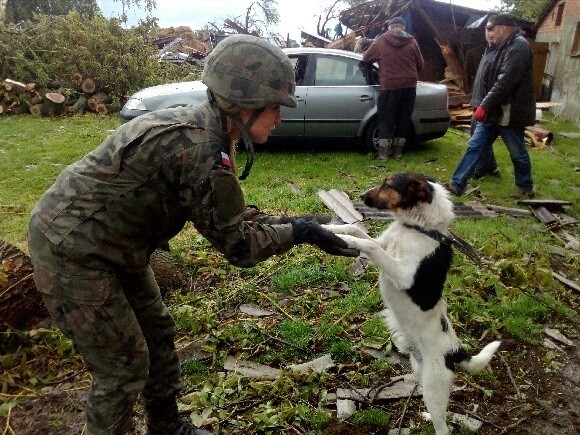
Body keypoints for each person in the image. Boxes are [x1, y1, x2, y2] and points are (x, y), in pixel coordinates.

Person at [27, 34, 358, 435]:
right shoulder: (200, 150)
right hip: (72, 250)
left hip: (117, 244)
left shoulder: (208, 131)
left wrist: (296, 222)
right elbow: (240, 246)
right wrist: (299, 233)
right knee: (122, 367)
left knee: (158, 331)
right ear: (244, 106)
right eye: (274, 108)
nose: (280, 118)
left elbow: (228, 216)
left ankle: (166, 427)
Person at [446, 14, 535, 199]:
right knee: (475, 146)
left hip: (509, 112)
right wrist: (479, 103)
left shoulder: (519, 45)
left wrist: (484, 106)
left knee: (517, 152)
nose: (487, 34)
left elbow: (506, 81)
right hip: (492, 110)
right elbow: (484, 80)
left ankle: (525, 187)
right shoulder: (493, 48)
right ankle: (457, 184)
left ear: (503, 28)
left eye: (490, 29)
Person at [362, 16, 424, 161]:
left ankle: (383, 154)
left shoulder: (381, 40)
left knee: (385, 119)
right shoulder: (412, 41)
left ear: (390, 27)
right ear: (403, 27)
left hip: (389, 86)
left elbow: (366, 58)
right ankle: (398, 153)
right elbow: (420, 64)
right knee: (403, 118)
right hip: (409, 86)